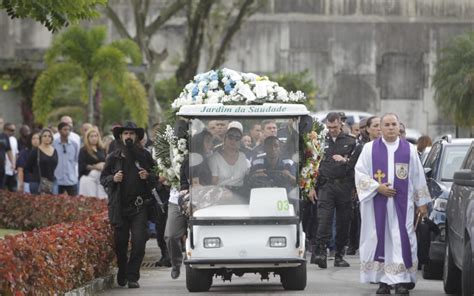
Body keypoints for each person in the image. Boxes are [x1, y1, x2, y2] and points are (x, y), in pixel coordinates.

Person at [354, 113, 430, 295]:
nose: (390, 128)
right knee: (379, 239)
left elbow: (417, 176)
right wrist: (377, 187)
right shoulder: (369, 149)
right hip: (376, 205)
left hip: (402, 207)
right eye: (386, 124)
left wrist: (422, 202)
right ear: (380, 127)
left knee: (401, 240)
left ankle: (402, 281)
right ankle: (383, 282)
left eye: (393, 124)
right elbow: (360, 173)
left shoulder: (409, 149)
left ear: (398, 127)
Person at [100, 121, 158, 289]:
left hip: (139, 207)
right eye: (126, 134)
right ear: (120, 136)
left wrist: (148, 176)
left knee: (139, 242)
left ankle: (133, 276)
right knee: (120, 244)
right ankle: (123, 270)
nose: (128, 136)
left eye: (132, 134)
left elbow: (157, 178)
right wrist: (113, 179)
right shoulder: (114, 157)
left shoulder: (145, 156)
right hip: (120, 208)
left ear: (137, 136)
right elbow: (103, 179)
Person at [311, 112, 356, 269]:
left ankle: (339, 255)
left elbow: (357, 164)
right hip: (326, 186)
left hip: (344, 186)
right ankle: (321, 253)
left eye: (335, 127)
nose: (332, 130)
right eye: (329, 127)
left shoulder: (351, 142)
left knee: (344, 222)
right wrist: (311, 187)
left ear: (341, 124)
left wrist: (346, 160)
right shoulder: (320, 141)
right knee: (324, 220)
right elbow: (312, 164)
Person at [209, 121, 250, 188]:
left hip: (240, 194)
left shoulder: (243, 156)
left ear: (240, 141)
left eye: (237, 138)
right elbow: (213, 184)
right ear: (225, 138)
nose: (233, 140)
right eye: (230, 137)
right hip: (220, 193)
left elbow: (248, 175)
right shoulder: (214, 158)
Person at [25, 129, 58, 195]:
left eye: (49, 136)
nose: (47, 138)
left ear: (52, 138)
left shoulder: (55, 151)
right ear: (41, 138)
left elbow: (54, 166)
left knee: (53, 204)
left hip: (52, 182)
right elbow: (27, 168)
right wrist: (34, 177)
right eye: (44, 136)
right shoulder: (35, 151)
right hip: (37, 182)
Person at [78, 128, 107, 198]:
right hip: (88, 178)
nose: (94, 138)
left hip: (101, 179)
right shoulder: (83, 150)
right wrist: (95, 167)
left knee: (102, 199)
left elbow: (106, 160)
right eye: (92, 136)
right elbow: (82, 165)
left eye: (96, 136)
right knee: (91, 200)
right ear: (87, 138)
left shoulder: (101, 149)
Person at [53, 122, 80, 195]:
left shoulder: (74, 144)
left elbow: (76, 159)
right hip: (57, 179)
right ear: (59, 131)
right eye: (64, 129)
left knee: (73, 202)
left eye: (68, 130)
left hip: (71, 179)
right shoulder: (54, 144)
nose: (67, 131)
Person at [3, 123, 18, 192]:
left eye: (14, 130)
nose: (13, 132)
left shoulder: (14, 139)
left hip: (12, 170)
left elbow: (15, 153)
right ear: (5, 130)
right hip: (3, 170)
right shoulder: (2, 139)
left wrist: (14, 164)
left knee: (13, 191)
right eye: (11, 130)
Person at [0, 125, 12, 190]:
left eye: (1, 123)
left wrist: (12, 163)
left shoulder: (4, 136)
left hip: (2, 166)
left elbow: (9, 150)